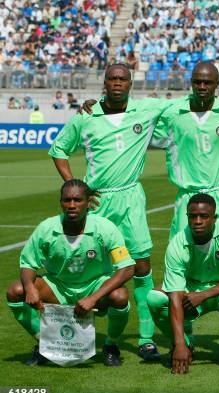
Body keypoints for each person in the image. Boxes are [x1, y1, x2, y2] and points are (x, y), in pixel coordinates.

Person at [48, 63, 173, 362]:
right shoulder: (87, 116)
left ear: (131, 84)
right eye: (112, 79)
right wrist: (75, 187)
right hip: (98, 202)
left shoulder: (146, 110)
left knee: (142, 266)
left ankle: (145, 340)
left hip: (130, 198)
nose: (117, 83)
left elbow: (189, 101)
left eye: (122, 79)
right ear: (104, 83)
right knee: (93, 268)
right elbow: (58, 150)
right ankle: (75, 335)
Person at [152, 62, 219, 361]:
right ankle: (185, 336)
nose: (201, 86)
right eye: (196, 81)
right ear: (190, 82)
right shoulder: (172, 113)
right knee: (184, 263)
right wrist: (95, 105)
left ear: (217, 84)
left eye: (208, 83)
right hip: (188, 200)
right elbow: (135, 114)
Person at [6, 180, 135, 366]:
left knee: (120, 296)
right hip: (58, 287)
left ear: (89, 202)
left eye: (77, 200)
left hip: (94, 286)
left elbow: (127, 268)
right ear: (61, 202)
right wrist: (29, 288)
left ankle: (110, 346)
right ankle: (45, 344)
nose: (72, 205)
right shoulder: (47, 228)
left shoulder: (105, 228)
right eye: (67, 200)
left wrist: (94, 297)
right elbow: (28, 263)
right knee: (16, 291)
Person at [147, 194, 219, 373]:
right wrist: (179, 343)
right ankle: (185, 345)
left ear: (214, 218)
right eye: (193, 216)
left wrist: (204, 295)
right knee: (154, 298)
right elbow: (175, 293)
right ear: (187, 217)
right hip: (190, 290)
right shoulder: (177, 242)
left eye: (204, 216)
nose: (198, 221)